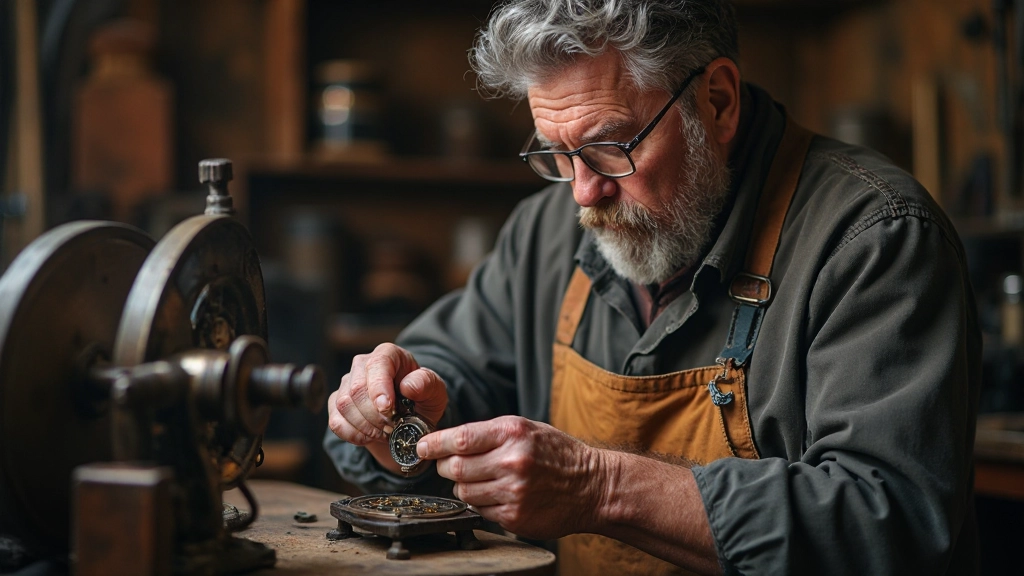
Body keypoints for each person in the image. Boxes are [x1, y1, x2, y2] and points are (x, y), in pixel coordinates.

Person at [324, 1, 981, 574]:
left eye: (612, 146)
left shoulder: (875, 238)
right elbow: (447, 380)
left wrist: (599, 488)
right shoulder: (548, 232)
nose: (584, 192)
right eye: (556, 152)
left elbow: (887, 526)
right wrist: (397, 419)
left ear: (717, 101)